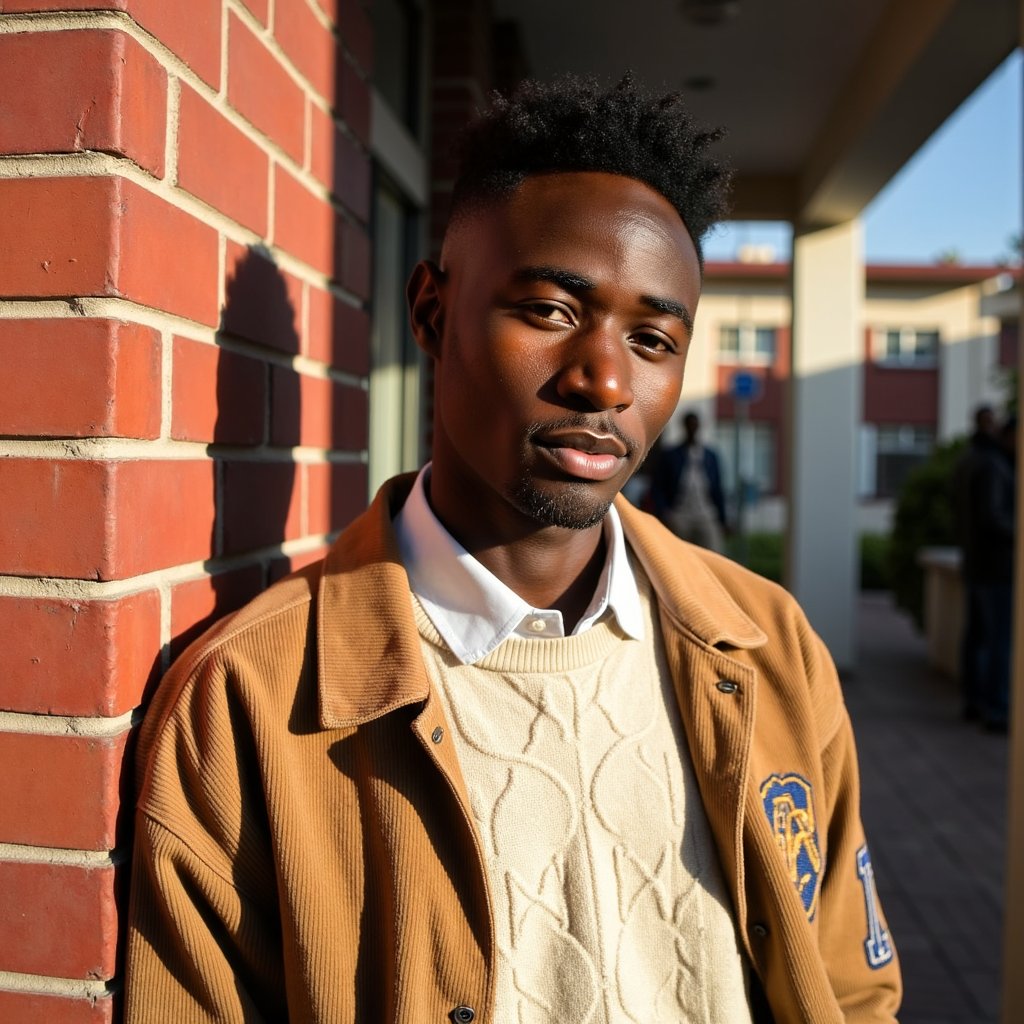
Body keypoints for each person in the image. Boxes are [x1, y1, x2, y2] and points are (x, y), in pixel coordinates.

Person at [124, 75, 901, 1023]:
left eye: (652, 338)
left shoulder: (768, 645)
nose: (604, 380)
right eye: (550, 311)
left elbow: (852, 992)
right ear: (431, 311)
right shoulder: (248, 699)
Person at [954, 409, 1016, 732]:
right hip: (995, 568)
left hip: (976, 564)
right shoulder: (993, 465)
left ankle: (974, 701)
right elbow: (993, 518)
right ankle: (996, 709)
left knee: (977, 637)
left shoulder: (970, 460)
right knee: (996, 642)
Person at [650, 410, 729, 551]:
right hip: (680, 514)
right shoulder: (671, 455)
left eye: (695, 425)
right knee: (679, 554)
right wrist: (665, 513)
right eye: (689, 425)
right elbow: (658, 486)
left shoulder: (710, 456)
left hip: (706, 514)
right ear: (684, 427)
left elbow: (717, 488)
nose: (692, 428)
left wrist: (723, 518)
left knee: (714, 553)